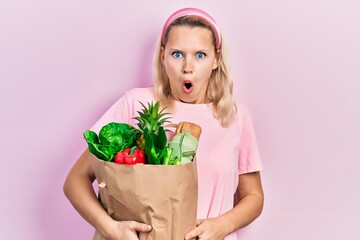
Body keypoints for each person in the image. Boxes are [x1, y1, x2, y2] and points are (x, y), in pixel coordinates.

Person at [64, 7, 264, 240]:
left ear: (216, 59)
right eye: (177, 54)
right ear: (163, 56)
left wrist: (222, 225)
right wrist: (112, 229)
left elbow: (253, 195)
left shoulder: (235, 116)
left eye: (200, 55)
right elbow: (75, 181)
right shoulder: (135, 104)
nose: (187, 67)